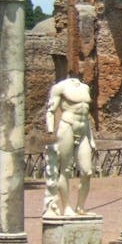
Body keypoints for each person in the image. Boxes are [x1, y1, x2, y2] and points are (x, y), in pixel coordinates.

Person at [44, 77, 96, 216]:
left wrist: (91, 138)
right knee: (65, 169)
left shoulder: (85, 87)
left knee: (87, 172)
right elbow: (51, 110)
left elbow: (86, 114)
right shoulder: (60, 87)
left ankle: (80, 206)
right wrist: (50, 131)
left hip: (84, 128)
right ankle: (66, 206)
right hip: (67, 126)